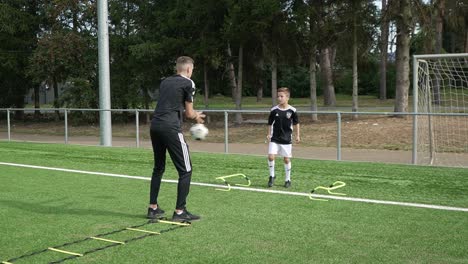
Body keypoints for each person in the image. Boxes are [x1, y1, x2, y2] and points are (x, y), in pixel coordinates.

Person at [147, 56, 205, 222]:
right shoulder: (189, 83)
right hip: (170, 128)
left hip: (155, 125)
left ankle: (153, 208)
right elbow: (189, 113)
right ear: (188, 70)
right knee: (186, 170)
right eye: (192, 69)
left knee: (158, 167)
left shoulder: (165, 81)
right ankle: (180, 211)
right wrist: (197, 117)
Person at [266, 87, 300, 188]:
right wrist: (268, 134)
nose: (279, 98)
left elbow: (296, 123)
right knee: (271, 156)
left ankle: (287, 179)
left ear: (287, 97)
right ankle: (272, 176)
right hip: (275, 138)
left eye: (282, 96)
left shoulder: (292, 110)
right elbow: (269, 123)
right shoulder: (274, 110)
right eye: (278, 96)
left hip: (286, 139)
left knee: (286, 159)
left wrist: (298, 135)